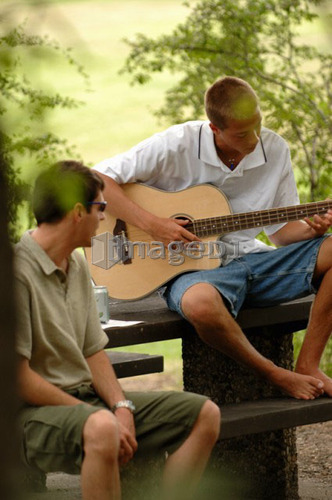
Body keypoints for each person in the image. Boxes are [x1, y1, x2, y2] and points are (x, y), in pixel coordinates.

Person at [93, 76, 332, 400]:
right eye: (243, 133)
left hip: (254, 259)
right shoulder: (177, 144)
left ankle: (308, 364)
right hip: (191, 270)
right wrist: (152, 224)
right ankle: (274, 374)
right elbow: (98, 179)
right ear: (214, 129)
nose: (255, 138)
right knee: (200, 305)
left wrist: (311, 230)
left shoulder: (274, 149)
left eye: (257, 124)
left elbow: (281, 235)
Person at [15, 161, 220, 500]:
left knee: (204, 414)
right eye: (101, 208)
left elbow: (92, 350)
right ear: (79, 212)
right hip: (28, 416)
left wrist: (121, 406)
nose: (103, 218)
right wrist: (94, 414)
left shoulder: (77, 262)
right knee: (102, 427)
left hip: (84, 402)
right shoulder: (16, 274)